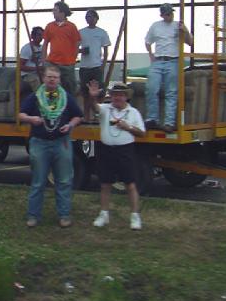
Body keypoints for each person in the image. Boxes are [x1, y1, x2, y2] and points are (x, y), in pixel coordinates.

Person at [19, 65, 83, 228]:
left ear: (59, 80)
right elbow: (20, 114)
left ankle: (64, 215)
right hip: (39, 142)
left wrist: (70, 125)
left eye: (55, 77)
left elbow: (78, 116)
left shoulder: (66, 97)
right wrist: (31, 119)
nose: (52, 80)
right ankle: (33, 216)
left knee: (64, 180)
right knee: (38, 181)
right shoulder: (35, 97)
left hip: (61, 142)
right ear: (44, 79)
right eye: (49, 77)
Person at [88, 81, 146, 230]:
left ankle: (135, 216)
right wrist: (93, 97)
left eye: (120, 95)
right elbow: (94, 108)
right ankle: (104, 214)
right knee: (105, 184)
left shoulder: (133, 112)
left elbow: (142, 133)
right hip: (106, 150)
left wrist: (128, 127)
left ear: (126, 97)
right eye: (114, 95)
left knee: (130, 184)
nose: (117, 98)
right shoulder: (106, 108)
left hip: (125, 151)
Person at [144, 3, 193, 133]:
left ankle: (169, 122)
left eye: (171, 13)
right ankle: (152, 119)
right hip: (158, 60)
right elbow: (148, 41)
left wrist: (185, 31)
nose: (170, 16)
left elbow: (190, 42)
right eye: (167, 14)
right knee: (151, 88)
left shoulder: (178, 26)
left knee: (171, 91)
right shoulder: (156, 26)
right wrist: (151, 55)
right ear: (162, 15)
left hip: (173, 60)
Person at [41, 1, 81, 95]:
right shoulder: (49, 26)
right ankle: (52, 103)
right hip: (52, 62)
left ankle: (68, 104)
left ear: (62, 12)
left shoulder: (71, 26)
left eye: (55, 10)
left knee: (70, 88)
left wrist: (73, 58)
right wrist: (44, 60)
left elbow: (77, 43)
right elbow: (45, 44)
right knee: (51, 88)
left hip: (67, 63)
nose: (53, 12)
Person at [79, 9, 111, 121]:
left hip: (96, 67)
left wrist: (103, 65)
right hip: (84, 67)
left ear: (97, 19)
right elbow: (74, 48)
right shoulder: (81, 32)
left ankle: (97, 116)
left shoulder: (102, 32)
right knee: (85, 93)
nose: (89, 19)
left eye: (92, 16)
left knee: (98, 93)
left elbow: (106, 51)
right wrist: (81, 51)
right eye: (87, 17)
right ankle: (86, 116)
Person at [19, 26, 44, 94]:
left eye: (42, 35)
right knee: (36, 81)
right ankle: (40, 98)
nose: (41, 37)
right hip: (27, 75)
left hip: (40, 73)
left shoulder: (42, 48)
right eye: (39, 35)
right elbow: (20, 66)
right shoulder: (27, 48)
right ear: (33, 36)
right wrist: (36, 68)